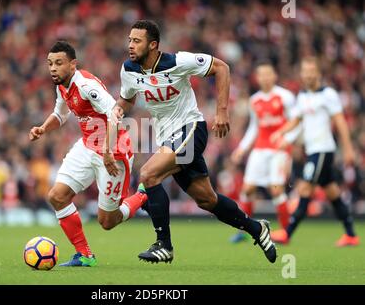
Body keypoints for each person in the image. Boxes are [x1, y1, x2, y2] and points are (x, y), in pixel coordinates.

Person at [112, 20, 277, 263]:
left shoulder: (177, 62)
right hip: (168, 138)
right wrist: (118, 109)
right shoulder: (129, 70)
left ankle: (164, 245)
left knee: (148, 174)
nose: (130, 45)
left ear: (153, 45)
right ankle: (257, 229)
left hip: (191, 129)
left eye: (136, 41)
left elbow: (222, 67)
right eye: (129, 40)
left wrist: (222, 111)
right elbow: (127, 99)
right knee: (207, 200)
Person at [29, 41, 147, 267]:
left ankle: (143, 195)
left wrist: (107, 151)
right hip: (87, 145)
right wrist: (43, 128)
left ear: (73, 65)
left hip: (114, 151)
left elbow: (115, 113)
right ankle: (85, 255)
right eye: (50, 64)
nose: (53, 68)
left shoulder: (85, 85)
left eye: (59, 63)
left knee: (107, 222)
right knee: (56, 196)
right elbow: (60, 115)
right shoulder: (62, 86)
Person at [270, 57, 360, 247]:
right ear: (301, 73)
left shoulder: (328, 94)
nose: (308, 74)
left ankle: (288, 232)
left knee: (304, 188)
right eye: (305, 71)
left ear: (319, 73)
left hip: (322, 150)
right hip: (312, 150)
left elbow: (340, 122)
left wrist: (348, 149)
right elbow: (296, 120)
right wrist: (281, 133)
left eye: (312, 71)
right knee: (333, 192)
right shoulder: (302, 96)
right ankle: (351, 234)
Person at [230, 62, 300, 243]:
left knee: (276, 189)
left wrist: (288, 140)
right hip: (260, 149)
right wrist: (241, 149)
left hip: (279, 150)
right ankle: (243, 231)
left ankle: (286, 232)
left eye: (268, 74)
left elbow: (296, 122)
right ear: (257, 78)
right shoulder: (255, 100)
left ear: (274, 76)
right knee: (247, 189)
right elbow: (254, 128)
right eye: (261, 75)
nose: (265, 78)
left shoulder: (285, 96)